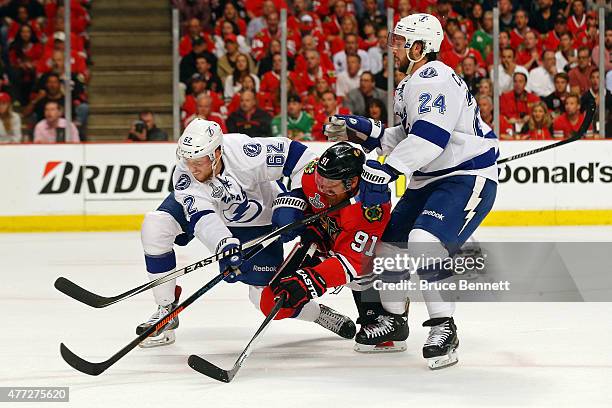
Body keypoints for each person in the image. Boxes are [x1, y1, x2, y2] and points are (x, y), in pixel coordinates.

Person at [324, 13, 498, 369]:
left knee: (423, 240)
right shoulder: (411, 84)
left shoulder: (435, 78)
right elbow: (408, 135)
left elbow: (431, 138)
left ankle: (444, 327)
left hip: (464, 177)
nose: (394, 48)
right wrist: (367, 132)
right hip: (429, 179)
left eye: (401, 42)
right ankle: (393, 322)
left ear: (420, 48)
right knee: (388, 244)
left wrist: (386, 168)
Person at [136, 119, 354, 347]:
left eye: (198, 161)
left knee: (266, 299)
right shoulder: (185, 174)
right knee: (156, 226)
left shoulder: (245, 153)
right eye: (188, 160)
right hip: (212, 213)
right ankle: (166, 308)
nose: (192, 168)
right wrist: (223, 244)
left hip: (257, 218)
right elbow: (202, 217)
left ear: (216, 153)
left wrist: (296, 197)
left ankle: (318, 314)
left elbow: (300, 157)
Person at [260, 142, 389, 337]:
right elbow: (301, 188)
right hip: (319, 244)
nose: (321, 188)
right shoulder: (314, 175)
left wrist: (308, 282)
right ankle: (319, 314)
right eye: (321, 180)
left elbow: (353, 263)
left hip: (357, 258)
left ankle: (383, 317)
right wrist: (291, 204)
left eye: (330, 185)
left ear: (352, 183)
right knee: (271, 302)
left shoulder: (371, 209)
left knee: (362, 275)